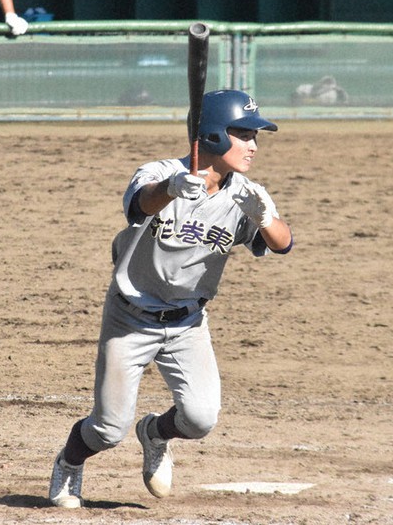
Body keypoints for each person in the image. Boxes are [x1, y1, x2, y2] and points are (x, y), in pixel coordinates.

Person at [48, 90, 294, 507]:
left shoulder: (246, 195)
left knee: (199, 420)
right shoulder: (159, 172)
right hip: (131, 318)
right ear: (214, 136)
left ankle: (156, 433)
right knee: (107, 430)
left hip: (187, 324)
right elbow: (140, 206)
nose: (254, 145)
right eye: (244, 134)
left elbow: (283, 244)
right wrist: (172, 188)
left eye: (256, 136)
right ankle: (69, 463)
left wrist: (266, 217)